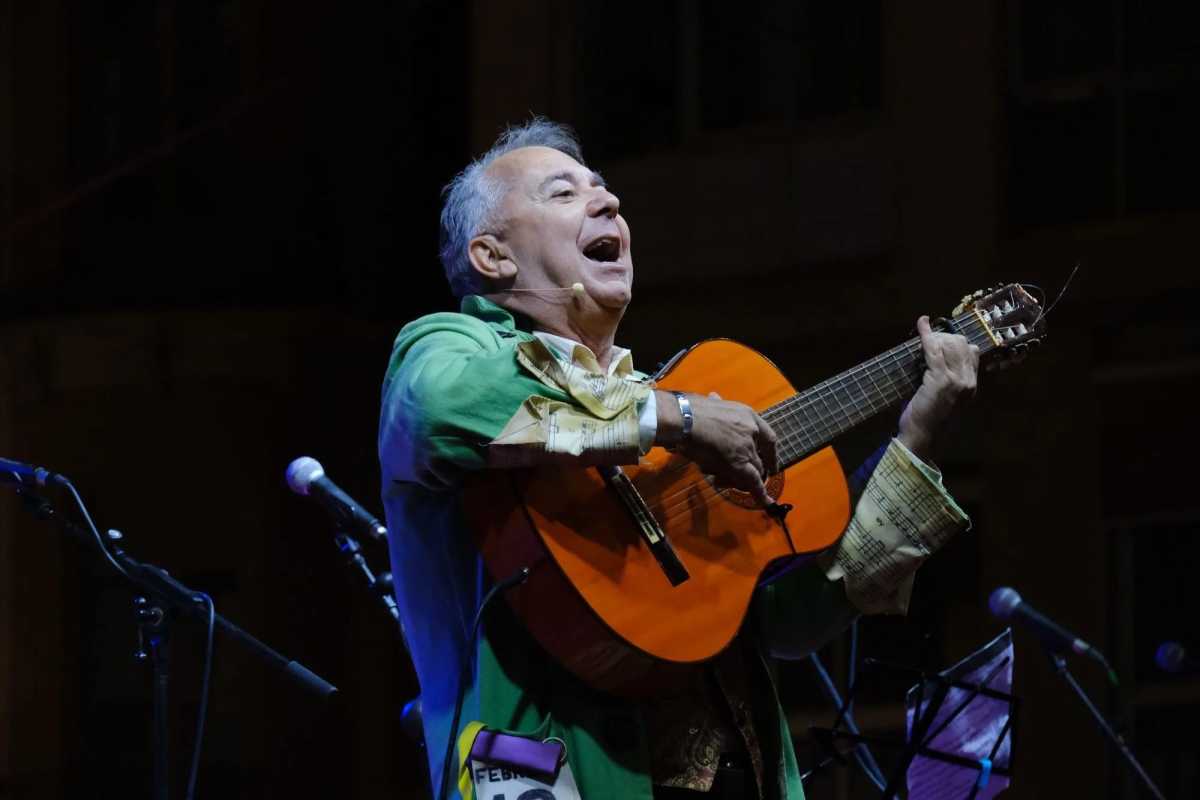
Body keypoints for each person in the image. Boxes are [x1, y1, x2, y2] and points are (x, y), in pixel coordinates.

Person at [378, 119, 979, 800]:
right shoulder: (448, 349)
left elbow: (791, 622)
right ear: (492, 257)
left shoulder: (661, 433)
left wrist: (917, 436)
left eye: (603, 189)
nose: (609, 202)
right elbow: (439, 407)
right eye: (564, 193)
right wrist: (681, 418)